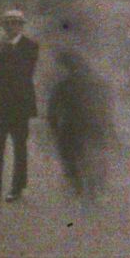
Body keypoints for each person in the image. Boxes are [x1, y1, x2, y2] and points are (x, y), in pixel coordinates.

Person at [0, 9, 40, 201]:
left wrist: (1, 64)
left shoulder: (30, 45)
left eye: (15, 23)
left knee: (19, 147)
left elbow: (23, 71)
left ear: (21, 26)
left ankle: (17, 188)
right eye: (7, 23)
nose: (10, 27)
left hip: (19, 106)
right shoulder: (0, 45)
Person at [46, 50, 116, 199]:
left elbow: (52, 112)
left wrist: (53, 130)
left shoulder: (62, 86)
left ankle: (78, 190)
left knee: (72, 164)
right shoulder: (96, 83)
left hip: (71, 129)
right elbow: (105, 108)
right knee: (93, 162)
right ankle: (94, 189)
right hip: (93, 128)